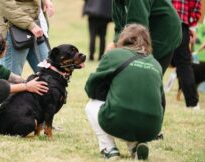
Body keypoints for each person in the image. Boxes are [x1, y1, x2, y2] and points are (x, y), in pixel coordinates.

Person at [85, 24, 164, 160]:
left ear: (124, 38)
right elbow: (161, 100)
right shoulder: (156, 64)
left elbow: (91, 87)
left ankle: (109, 149)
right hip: (152, 127)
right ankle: (135, 146)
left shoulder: (114, 55)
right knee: (130, 114)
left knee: (91, 106)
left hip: (118, 119)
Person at [107, 0, 182, 74]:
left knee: (147, 75)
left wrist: (121, 51)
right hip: (144, 32)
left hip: (164, 34)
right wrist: (115, 43)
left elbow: (137, 30)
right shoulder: (116, 2)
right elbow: (118, 27)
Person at [0, 0, 54, 76]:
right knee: (12, 79)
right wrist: (30, 25)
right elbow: (7, 4)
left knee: (50, 75)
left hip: (36, 27)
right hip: (13, 32)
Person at [171, 0, 201, 110]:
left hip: (161, 22)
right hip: (181, 25)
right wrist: (192, 27)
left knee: (155, 61)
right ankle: (193, 104)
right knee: (184, 65)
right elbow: (196, 5)